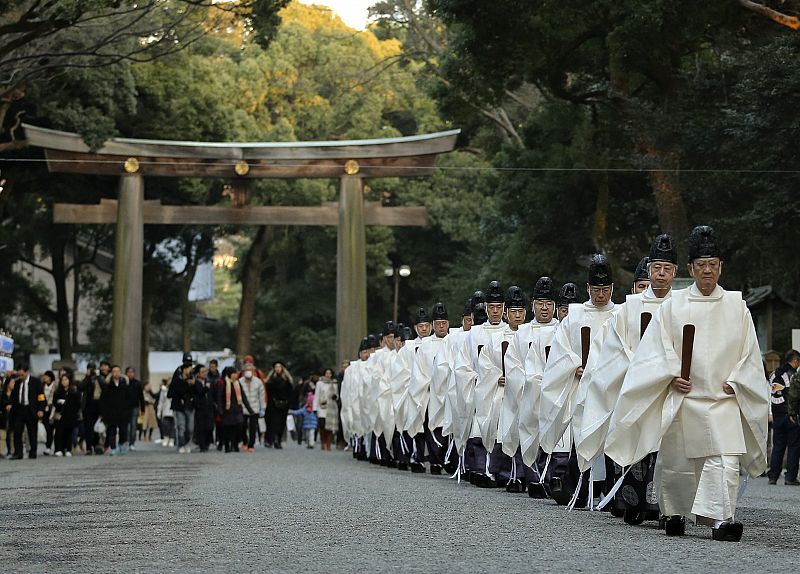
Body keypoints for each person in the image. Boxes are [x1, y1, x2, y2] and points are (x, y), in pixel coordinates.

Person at [606, 225, 769, 542]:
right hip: (685, 397)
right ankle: (674, 512)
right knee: (678, 464)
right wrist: (670, 375)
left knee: (724, 460)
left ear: (721, 267)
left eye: (713, 264)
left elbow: (750, 353)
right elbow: (656, 350)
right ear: (692, 268)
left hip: (724, 399)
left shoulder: (738, 307)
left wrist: (737, 380)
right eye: (701, 264)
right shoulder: (673, 306)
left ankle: (721, 519)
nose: (707, 270)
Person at [575, 234, 678, 523]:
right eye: (656, 268)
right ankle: (631, 501)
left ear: (676, 272)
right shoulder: (628, 308)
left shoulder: (682, 305)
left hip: (670, 389)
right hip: (635, 386)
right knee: (635, 441)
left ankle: (666, 507)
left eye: (666, 268)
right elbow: (614, 347)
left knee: (664, 447)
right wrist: (637, 370)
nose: (660, 274)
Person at [538, 254, 617, 507]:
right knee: (582, 432)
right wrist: (574, 366)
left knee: (611, 438)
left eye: (605, 290)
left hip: (612, 386)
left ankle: (611, 492)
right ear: (588, 289)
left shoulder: (621, 314)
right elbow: (560, 352)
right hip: (581, 384)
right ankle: (580, 488)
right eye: (596, 290)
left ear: (612, 289)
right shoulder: (574, 316)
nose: (600, 295)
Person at [504, 276, 560, 496]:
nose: (544, 308)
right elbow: (513, 365)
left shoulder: (561, 330)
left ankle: (553, 479)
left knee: (557, 435)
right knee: (528, 431)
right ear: (533, 305)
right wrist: (531, 382)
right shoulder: (523, 333)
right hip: (527, 392)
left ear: (555, 306)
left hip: (556, 393)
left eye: (549, 304)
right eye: (540, 303)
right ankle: (533, 479)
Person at [454, 283, 509, 487]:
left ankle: (500, 472)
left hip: (506, 390)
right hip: (480, 390)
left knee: (502, 432)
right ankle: (478, 469)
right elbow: (462, 366)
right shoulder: (474, 334)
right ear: (485, 308)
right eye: (491, 307)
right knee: (478, 431)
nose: (495, 311)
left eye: (498, 307)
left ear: (504, 307)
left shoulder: (513, 332)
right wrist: (478, 379)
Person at [476, 285, 526, 488]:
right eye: (513, 312)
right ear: (507, 313)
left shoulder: (530, 334)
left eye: (520, 311)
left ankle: (523, 474)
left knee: (524, 431)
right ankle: (503, 472)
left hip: (525, 392)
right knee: (501, 429)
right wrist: (497, 377)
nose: (516, 315)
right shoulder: (496, 339)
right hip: (501, 392)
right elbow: (484, 364)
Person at [407, 302, 451, 475]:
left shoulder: (454, 340)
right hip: (430, 393)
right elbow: (418, 372)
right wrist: (428, 385)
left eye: (444, 323)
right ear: (433, 325)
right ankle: (435, 461)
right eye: (438, 324)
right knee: (432, 427)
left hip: (450, 393)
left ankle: (447, 460)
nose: (441, 326)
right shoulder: (425, 345)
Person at [767, 349, 800, 485]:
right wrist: (794, 413)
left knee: (778, 446)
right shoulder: (793, 375)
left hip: (776, 415)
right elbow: (795, 395)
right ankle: (790, 477)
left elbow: (770, 394)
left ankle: (773, 476)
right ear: (795, 360)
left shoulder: (774, 374)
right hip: (790, 414)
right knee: (793, 446)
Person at [5, 364, 46, 459]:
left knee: (32, 432)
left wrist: (41, 409)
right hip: (19, 410)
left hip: (31, 410)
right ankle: (18, 453)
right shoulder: (17, 383)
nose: (20, 376)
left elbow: (41, 397)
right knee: (17, 431)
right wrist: (9, 403)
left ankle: (33, 452)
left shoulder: (35, 382)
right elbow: (13, 397)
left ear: (26, 372)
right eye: (19, 375)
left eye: (22, 374)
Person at [217, 367, 250, 452]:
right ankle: (227, 446)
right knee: (228, 428)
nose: (235, 375)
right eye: (233, 373)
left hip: (237, 409)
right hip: (227, 410)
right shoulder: (223, 383)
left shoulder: (237, 383)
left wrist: (250, 409)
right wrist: (220, 409)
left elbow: (243, 397)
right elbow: (220, 398)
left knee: (239, 427)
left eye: (236, 373)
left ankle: (235, 444)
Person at [100, 365, 131, 456]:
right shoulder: (108, 385)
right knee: (111, 430)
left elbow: (129, 398)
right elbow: (103, 399)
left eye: (118, 371)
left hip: (123, 411)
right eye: (114, 371)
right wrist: (103, 412)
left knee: (123, 430)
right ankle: (113, 447)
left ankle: (121, 444)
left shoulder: (124, 384)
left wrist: (128, 410)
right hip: (111, 412)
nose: (116, 373)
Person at [169, 363, 197, 454]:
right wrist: (186, 383)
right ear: (184, 370)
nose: (190, 370)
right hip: (179, 406)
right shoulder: (178, 379)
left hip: (190, 406)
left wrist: (193, 384)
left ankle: (187, 443)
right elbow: (175, 391)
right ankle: (181, 445)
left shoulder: (192, 379)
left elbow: (196, 391)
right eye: (188, 369)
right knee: (181, 427)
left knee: (190, 428)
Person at [265, 361, 294, 449]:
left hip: (284, 404)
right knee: (273, 423)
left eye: (279, 367)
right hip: (272, 404)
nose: (277, 368)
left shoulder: (287, 380)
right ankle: (272, 440)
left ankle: (279, 439)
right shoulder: (270, 380)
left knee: (281, 423)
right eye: (276, 367)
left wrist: (290, 405)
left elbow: (290, 393)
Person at [80, 361, 107, 454]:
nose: (91, 370)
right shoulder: (86, 379)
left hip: (98, 406)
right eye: (90, 368)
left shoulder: (100, 377)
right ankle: (88, 447)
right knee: (88, 428)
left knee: (97, 428)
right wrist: (87, 376)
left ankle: (96, 445)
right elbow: (80, 387)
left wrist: (98, 376)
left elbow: (105, 387)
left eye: (93, 368)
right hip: (87, 406)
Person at [239, 358, 265, 452]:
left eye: (250, 370)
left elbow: (261, 395)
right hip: (243, 407)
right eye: (247, 370)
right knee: (242, 426)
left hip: (255, 407)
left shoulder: (258, 381)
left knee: (253, 427)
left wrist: (263, 408)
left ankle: (251, 445)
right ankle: (245, 442)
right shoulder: (240, 381)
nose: (248, 372)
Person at [52, 371, 81, 456]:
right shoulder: (58, 391)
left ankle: (68, 449)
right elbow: (54, 402)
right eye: (62, 380)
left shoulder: (74, 391)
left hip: (70, 415)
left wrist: (69, 404)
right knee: (59, 432)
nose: (64, 381)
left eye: (66, 379)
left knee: (69, 432)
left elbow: (78, 403)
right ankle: (58, 449)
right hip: (60, 414)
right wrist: (59, 402)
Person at [314, 368, 337, 451]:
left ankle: (329, 444)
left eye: (329, 373)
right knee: (322, 425)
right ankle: (323, 442)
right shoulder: (320, 383)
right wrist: (315, 408)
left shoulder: (334, 383)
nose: (328, 375)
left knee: (330, 427)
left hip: (331, 407)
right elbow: (317, 395)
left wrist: (335, 397)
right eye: (326, 373)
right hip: (322, 406)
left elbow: (337, 394)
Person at [193, 364, 215, 452]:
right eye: (202, 372)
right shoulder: (195, 382)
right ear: (198, 373)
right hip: (200, 408)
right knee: (201, 427)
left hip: (209, 407)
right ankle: (202, 445)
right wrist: (206, 388)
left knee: (209, 427)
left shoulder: (208, 381)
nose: (204, 374)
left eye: (205, 372)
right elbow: (199, 392)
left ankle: (207, 442)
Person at [124, 366, 144, 451]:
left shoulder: (137, 383)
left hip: (135, 407)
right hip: (125, 407)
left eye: (132, 372)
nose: (130, 374)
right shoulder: (123, 382)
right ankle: (126, 441)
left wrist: (142, 408)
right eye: (129, 372)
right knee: (126, 426)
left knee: (133, 425)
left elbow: (141, 396)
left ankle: (132, 443)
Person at [41, 370, 56, 456]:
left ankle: (51, 447)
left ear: (50, 377)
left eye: (46, 376)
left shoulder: (55, 385)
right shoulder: (42, 386)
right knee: (47, 429)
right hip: (44, 410)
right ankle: (48, 446)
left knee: (51, 428)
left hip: (53, 409)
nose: (44, 378)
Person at [156, 378, 175, 447]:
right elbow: (161, 401)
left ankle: (172, 439)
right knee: (165, 425)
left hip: (174, 411)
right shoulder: (164, 391)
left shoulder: (176, 390)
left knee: (173, 426)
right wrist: (159, 411)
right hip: (166, 411)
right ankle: (166, 438)